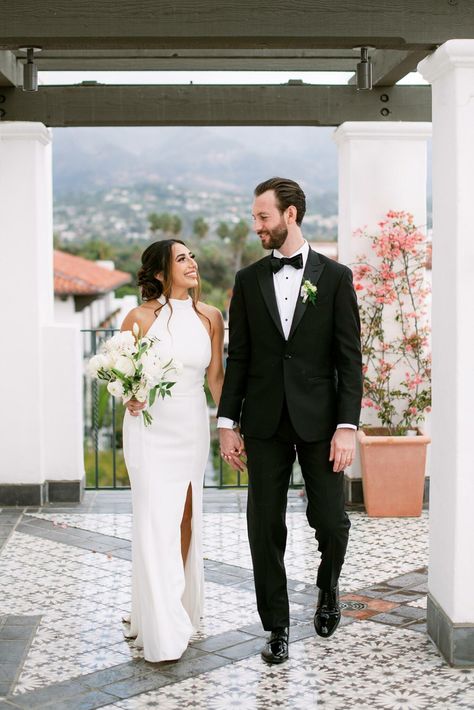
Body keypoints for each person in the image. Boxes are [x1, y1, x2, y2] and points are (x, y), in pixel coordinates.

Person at [217, 177, 362, 665]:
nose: (255, 225)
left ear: (291, 214)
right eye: (255, 217)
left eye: (263, 217)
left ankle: (328, 586)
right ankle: (276, 627)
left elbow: (350, 360)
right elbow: (238, 359)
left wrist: (347, 427)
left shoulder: (336, 277)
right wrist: (225, 422)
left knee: (331, 520)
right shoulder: (247, 280)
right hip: (262, 421)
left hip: (322, 422)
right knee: (264, 524)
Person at [121, 239, 224, 663]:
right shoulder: (138, 317)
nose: (192, 263)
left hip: (190, 425)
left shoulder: (211, 316)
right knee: (152, 518)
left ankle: (177, 604)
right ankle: (160, 624)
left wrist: (233, 425)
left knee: (184, 515)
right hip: (148, 428)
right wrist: (129, 395)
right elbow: (123, 377)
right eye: (181, 258)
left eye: (192, 256)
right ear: (161, 273)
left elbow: (216, 378)